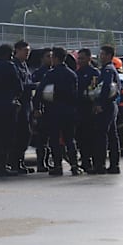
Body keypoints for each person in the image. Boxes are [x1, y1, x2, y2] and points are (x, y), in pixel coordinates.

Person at [36, 47, 80, 176]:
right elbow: (75, 95)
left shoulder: (51, 74)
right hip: (69, 111)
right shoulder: (72, 74)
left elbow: (40, 91)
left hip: (53, 111)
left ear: (55, 58)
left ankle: (57, 166)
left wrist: (36, 107)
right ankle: (74, 166)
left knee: (54, 139)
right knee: (70, 139)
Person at [0, 44, 24, 177]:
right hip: (8, 104)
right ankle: (3, 164)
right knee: (8, 135)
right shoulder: (10, 66)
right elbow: (19, 86)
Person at [93, 45, 121, 173]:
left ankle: (100, 165)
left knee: (102, 135)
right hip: (111, 105)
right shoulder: (110, 69)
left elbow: (106, 88)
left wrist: (100, 104)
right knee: (112, 135)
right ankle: (114, 165)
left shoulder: (108, 70)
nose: (101, 56)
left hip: (107, 106)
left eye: (103, 54)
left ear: (109, 56)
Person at [12, 40, 36, 174]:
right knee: (21, 133)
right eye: (25, 51)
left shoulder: (24, 65)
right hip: (20, 104)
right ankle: (15, 162)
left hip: (28, 103)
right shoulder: (14, 66)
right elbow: (20, 86)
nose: (27, 54)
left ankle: (20, 161)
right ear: (18, 51)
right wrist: (34, 86)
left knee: (27, 134)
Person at [75, 48, 100, 173]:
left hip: (90, 110)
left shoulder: (94, 73)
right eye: (78, 58)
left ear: (89, 59)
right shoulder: (77, 73)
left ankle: (93, 162)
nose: (80, 61)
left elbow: (95, 91)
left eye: (82, 58)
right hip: (79, 110)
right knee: (81, 137)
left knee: (91, 137)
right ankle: (84, 160)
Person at [30, 49, 53, 172]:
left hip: (53, 108)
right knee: (42, 138)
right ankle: (41, 162)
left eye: (52, 56)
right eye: (48, 56)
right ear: (42, 59)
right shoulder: (39, 73)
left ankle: (48, 161)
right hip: (42, 108)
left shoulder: (54, 72)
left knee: (51, 138)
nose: (50, 58)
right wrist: (37, 108)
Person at [112, 57, 123, 158]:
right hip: (121, 107)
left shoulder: (107, 74)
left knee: (112, 130)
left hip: (111, 106)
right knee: (121, 129)